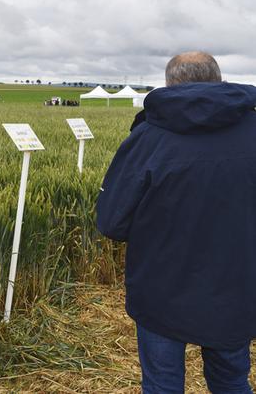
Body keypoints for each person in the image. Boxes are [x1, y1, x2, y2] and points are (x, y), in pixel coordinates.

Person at [96, 51, 256, 393]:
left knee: (162, 385)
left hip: (161, 291)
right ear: (219, 79)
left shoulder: (148, 138)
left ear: (169, 84)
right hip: (237, 287)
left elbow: (112, 221)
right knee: (231, 382)